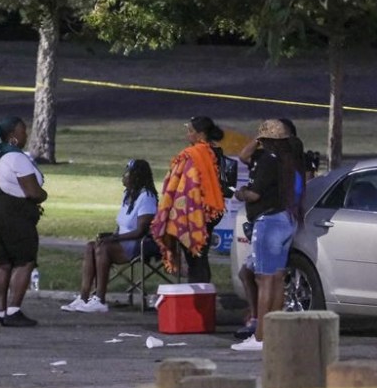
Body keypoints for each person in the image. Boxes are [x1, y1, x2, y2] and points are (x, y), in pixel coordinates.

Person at [231, 119, 304, 352]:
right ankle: (275, 334)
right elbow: (244, 156)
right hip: (286, 220)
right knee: (277, 280)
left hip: (268, 222)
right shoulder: (291, 160)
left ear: (266, 141)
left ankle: (260, 338)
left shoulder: (266, 161)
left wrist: (240, 193)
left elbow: (253, 194)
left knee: (264, 281)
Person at [0, 116, 47, 327]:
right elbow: (32, 191)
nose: (26, 134)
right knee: (25, 261)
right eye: (23, 131)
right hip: (12, 213)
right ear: (13, 136)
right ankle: (14, 310)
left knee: (3, 263)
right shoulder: (16, 158)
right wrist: (44, 196)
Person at [61, 159, 159, 313]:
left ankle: (100, 299)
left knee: (103, 248)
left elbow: (141, 231)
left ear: (137, 176)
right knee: (90, 246)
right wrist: (110, 235)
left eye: (127, 173)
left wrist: (115, 239)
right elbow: (121, 225)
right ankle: (83, 297)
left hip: (139, 242)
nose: (123, 176)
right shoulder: (128, 195)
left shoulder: (146, 197)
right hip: (122, 240)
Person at [151, 116, 226, 283]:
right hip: (212, 211)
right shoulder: (217, 153)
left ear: (200, 135)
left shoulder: (191, 155)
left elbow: (182, 184)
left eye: (190, 131)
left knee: (195, 258)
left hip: (194, 211)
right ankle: (203, 295)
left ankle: (199, 298)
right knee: (200, 255)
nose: (187, 135)